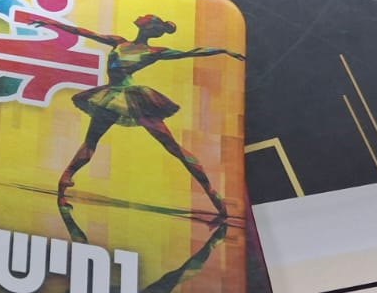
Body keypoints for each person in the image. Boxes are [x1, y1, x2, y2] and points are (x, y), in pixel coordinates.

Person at [30, 15, 244, 218]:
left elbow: (190, 52)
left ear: (151, 29)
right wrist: (50, 22)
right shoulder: (118, 42)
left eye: (149, 25)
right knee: (91, 142)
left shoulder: (153, 51)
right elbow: (82, 32)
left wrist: (222, 50)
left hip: (135, 100)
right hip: (110, 97)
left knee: (172, 146)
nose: (144, 26)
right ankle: (64, 182)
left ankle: (212, 193)